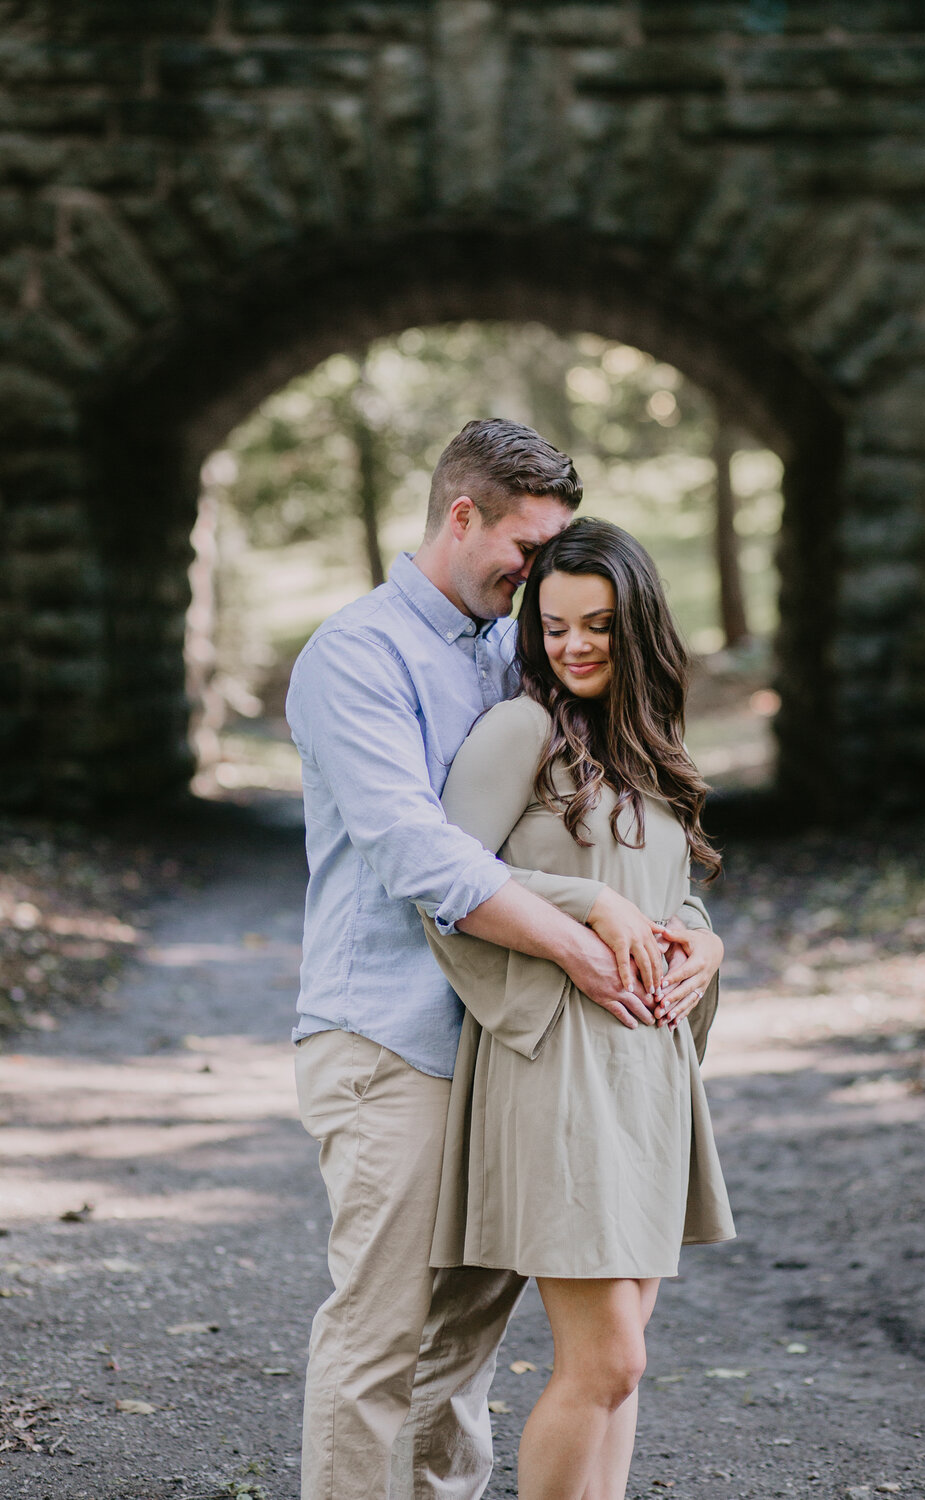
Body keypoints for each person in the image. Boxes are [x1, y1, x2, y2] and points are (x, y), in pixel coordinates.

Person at [286, 419, 724, 1500]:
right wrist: (584, 938)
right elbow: (416, 850)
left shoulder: (512, 648)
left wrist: (692, 936)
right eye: (525, 553)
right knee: (382, 1339)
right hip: (390, 1038)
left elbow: (607, 840)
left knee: (457, 1362)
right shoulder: (359, 653)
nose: (537, 581)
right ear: (460, 514)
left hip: (507, 1055)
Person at [422, 517, 735, 1500]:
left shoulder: (645, 747)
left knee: (624, 1363)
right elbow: (448, 892)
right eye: (553, 627)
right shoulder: (521, 730)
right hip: (557, 1066)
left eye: (596, 624)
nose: (573, 646)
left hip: (646, 1070)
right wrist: (586, 906)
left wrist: (703, 940)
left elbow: (667, 893)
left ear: (636, 624)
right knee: (604, 1362)